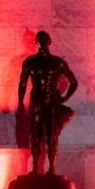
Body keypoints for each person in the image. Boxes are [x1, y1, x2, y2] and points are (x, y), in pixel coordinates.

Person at [17, 31, 78, 175]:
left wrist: (64, 98)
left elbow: (74, 82)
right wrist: (20, 102)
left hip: (49, 100)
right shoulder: (31, 62)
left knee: (50, 133)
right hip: (39, 100)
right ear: (37, 42)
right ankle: (37, 169)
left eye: (44, 40)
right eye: (40, 40)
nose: (43, 42)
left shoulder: (55, 62)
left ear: (48, 42)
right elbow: (23, 84)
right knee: (37, 132)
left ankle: (49, 169)